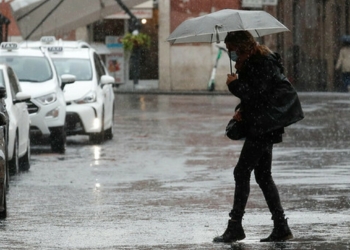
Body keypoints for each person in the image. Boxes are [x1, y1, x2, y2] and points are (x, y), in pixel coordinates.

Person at [213, 31, 304, 243]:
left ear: (241, 47)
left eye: (231, 49)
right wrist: (241, 110)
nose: (230, 54)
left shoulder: (261, 63)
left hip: (264, 126)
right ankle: (281, 226)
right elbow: (255, 96)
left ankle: (235, 226)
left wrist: (234, 85)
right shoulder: (253, 62)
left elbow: (258, 94)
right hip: (263, 124)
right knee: (262, 175)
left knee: (241, 172)